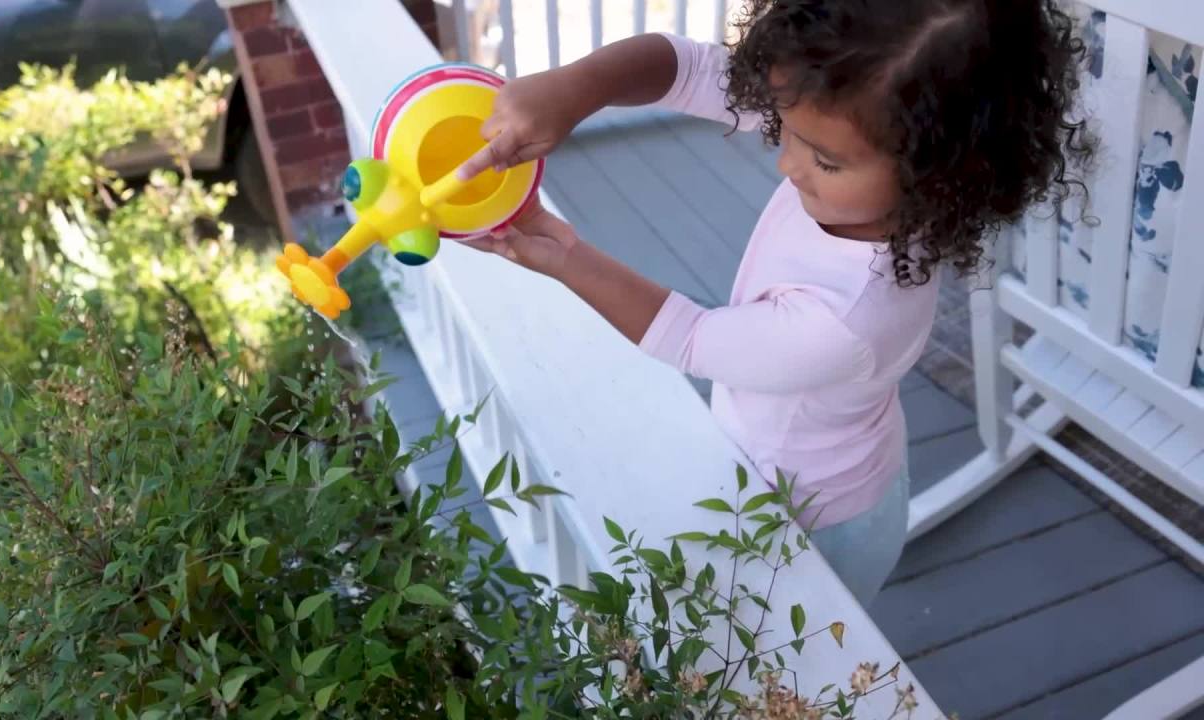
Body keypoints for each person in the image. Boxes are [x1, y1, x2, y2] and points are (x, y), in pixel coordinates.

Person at [456, 0, 1095, 605]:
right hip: (815, 456)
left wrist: (565, 257)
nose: (787, 161)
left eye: (821, 159)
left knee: (775, 663)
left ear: (942, 173)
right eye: (786, 129)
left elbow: (694, 339)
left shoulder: (854, 318)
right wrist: (578, 87)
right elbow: (691, 70)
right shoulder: (857, 117)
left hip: (810, 522)